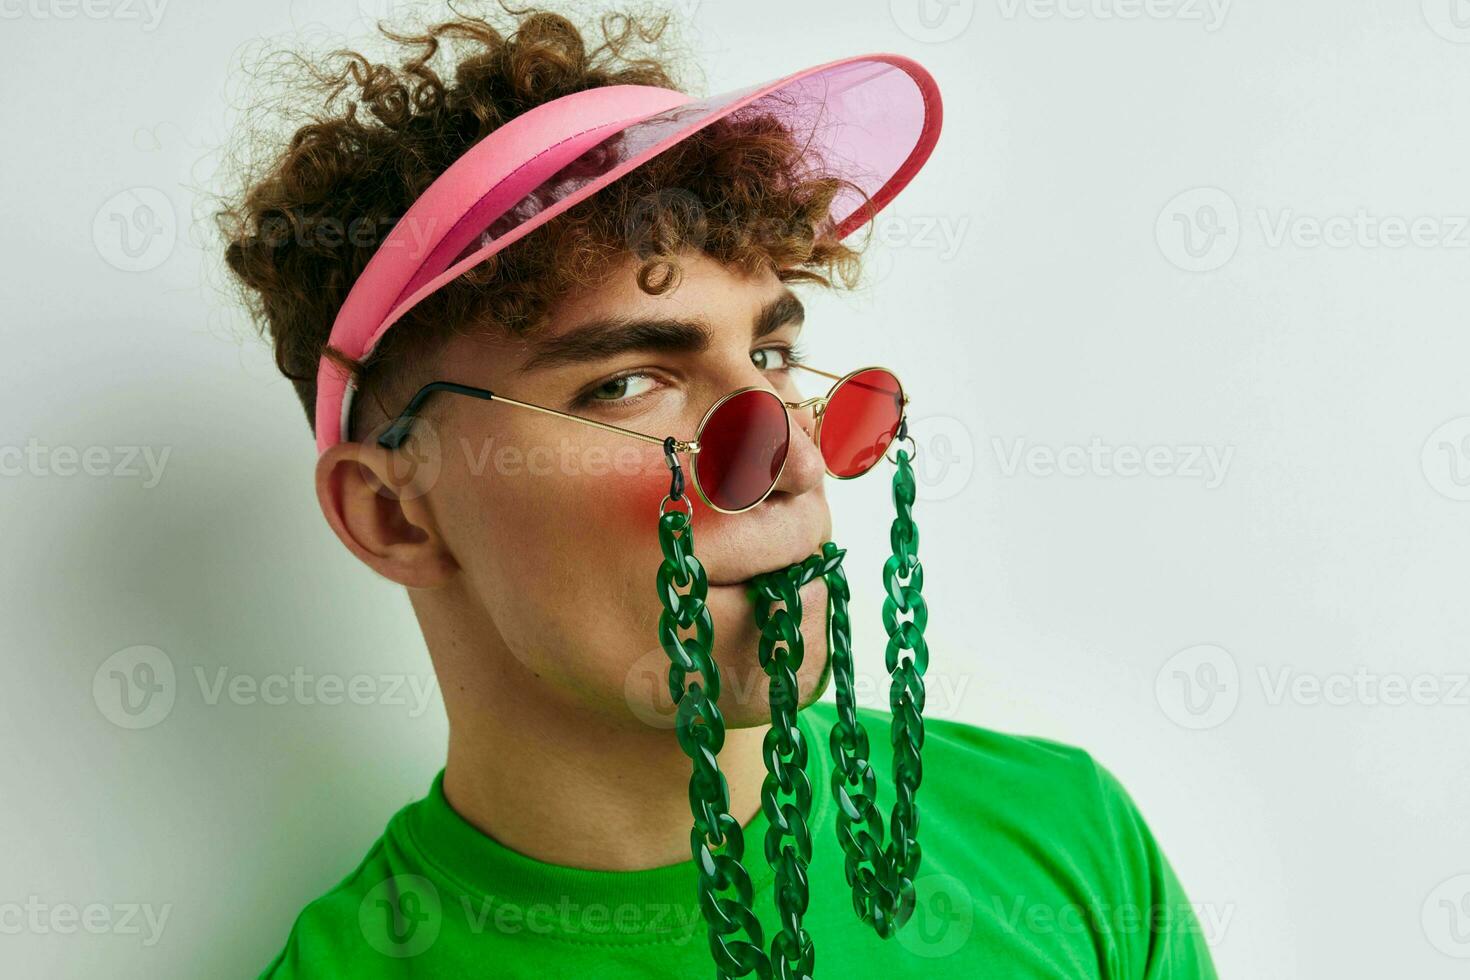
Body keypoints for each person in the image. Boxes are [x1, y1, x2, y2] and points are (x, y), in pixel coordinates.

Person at [218, 4, 1219, 977]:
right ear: (396, 513)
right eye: (626, 382)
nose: (795, 461)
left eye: (774, 352)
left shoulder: (1069, 841)